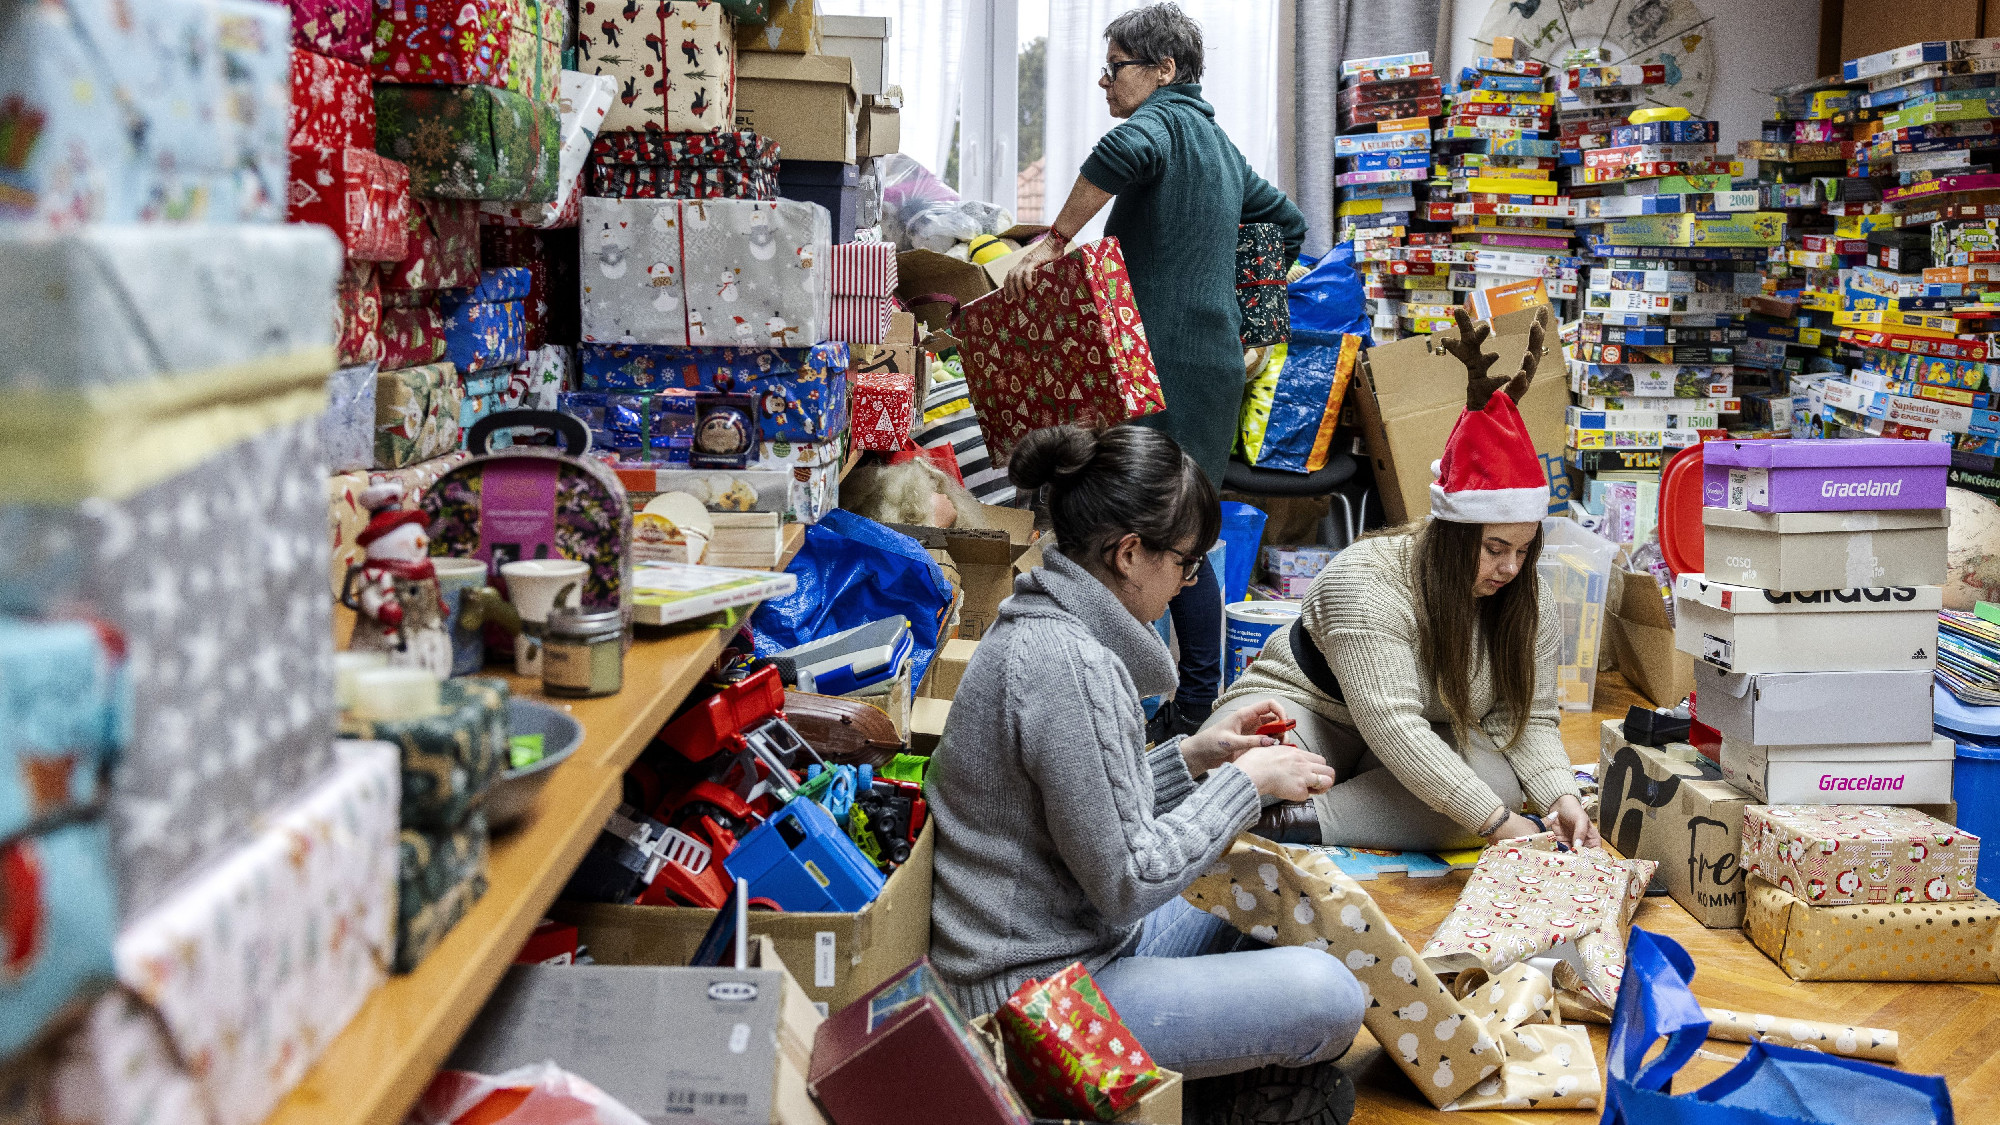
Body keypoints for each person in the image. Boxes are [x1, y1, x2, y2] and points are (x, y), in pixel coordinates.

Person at [925, 424, 1365, 1122]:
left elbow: (1084, 807)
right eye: (1186, 563)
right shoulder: (1069, 667)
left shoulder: (1050, 629)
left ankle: (1194, 1089)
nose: (1188, 582)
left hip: (1082, 942)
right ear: (1129, 553)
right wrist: (1245, 784)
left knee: (1271, 889)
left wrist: (1195, 757)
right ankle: (1186, 1103)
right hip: (1033, 1006)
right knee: (1331, 997)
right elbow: (1129, 878)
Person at [1004, 3, 1308, 736]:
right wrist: (1250, 317)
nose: (1105, 82)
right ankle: (1194, 699)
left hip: (1156, 365)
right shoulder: (1220, 146)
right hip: (1210, 369)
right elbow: (1286, 222)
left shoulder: (1163, 122)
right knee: (1184, 525)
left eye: (1116, 67)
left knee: (1132, 524)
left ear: (1164, 70)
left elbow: (1119, 152)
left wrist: (1054, 239)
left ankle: (1143, 699)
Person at [1211, 310, 1602, 853]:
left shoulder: (1523, 598)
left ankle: (1301, 822)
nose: (1511, 569)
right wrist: (1500, 827)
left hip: (1417, 737)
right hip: (1312, 711)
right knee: (1234, 766)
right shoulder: (1366, 581)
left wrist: (1562, 798)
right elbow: (1393, 724)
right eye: (1494, 549)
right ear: (1452, 537)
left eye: (1523, 550)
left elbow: (1526, 717)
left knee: (1498, 785)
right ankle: (1329, 809)